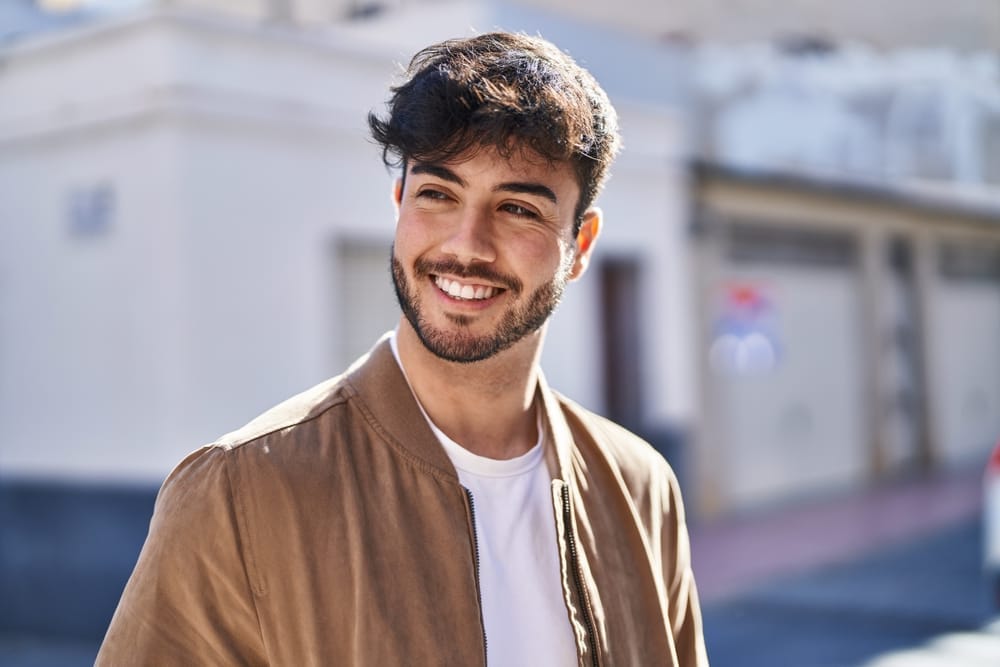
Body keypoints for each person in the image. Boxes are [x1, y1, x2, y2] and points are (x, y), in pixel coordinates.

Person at [97, 31, 708, 666]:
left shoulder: (640, 488)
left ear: (580, 245)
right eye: (437, 195)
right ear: (399, 205)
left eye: (519, 208)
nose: (466, 245)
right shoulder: (238, 494)